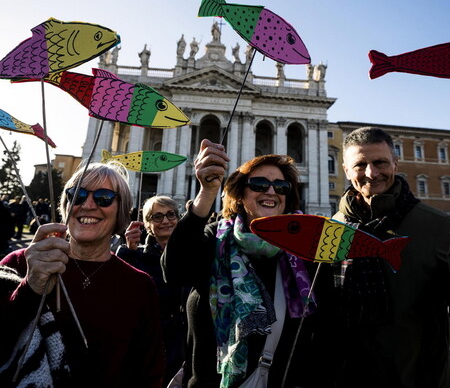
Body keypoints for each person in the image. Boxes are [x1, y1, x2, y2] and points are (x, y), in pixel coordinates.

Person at [162, 139, 314, 387]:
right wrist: (207, 193)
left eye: (281, 186)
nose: (271, 191)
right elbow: (175, 270)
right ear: (241, 194)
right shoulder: (215, 238)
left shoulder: (304, 251)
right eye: (259, 184)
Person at [0, 161, 165, 387]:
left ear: (121, 212)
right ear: (66, 206)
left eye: (104, 198)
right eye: (77, 195)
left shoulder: (139, 285)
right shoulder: (20, 263)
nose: (87, 205)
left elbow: (149, 374)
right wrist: (30, 288)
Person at [324, 126, 450, 387]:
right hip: (348, 375)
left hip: (417, 376)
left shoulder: (439, 227)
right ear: (346, 170)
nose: (371, 173)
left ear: (395, 162)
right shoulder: (333, 229)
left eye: (380, 162)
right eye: (360, 165)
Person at [116, 195, 187, 386]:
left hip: (187, 346)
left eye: (171, 214)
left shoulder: (192, 254)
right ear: (147, 225)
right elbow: (119, 293)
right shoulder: (137, 258)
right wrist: (128, 251)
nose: (165, 221)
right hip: (152, 347)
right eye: (157, 217)